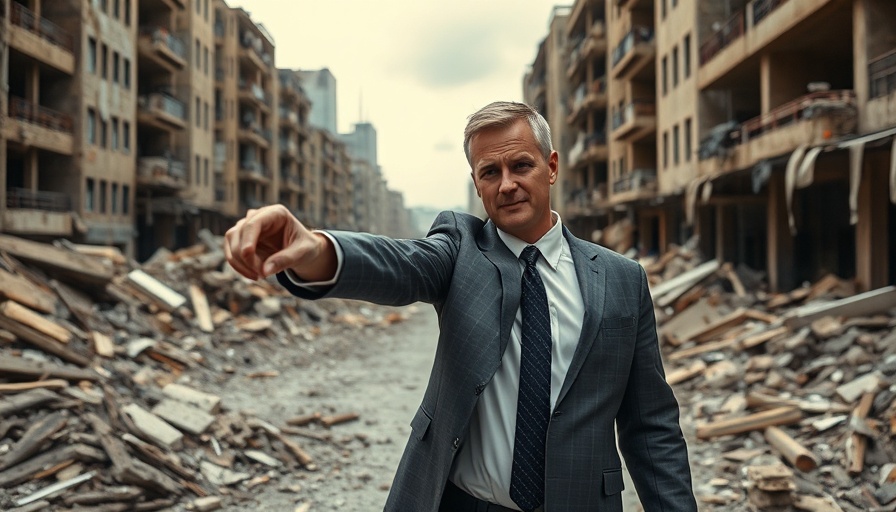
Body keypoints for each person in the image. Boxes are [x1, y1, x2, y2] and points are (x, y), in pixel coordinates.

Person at [224, 101, 697, 512]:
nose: (507, 184)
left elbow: (650, 425)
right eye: (490, 173)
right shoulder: (460, 249)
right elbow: (400, 264)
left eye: (521, 166)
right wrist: (318, 250)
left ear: (551, 166)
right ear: (476, 181)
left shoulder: (621, 279)